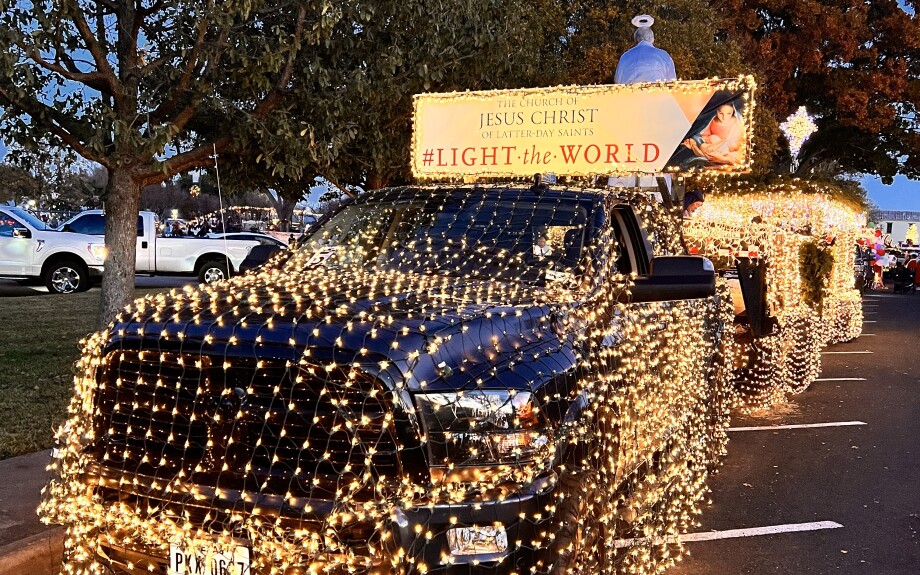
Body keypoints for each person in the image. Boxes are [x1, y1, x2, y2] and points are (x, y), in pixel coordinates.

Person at [614, 15, 677, 84]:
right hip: (658, 93)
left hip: (630, 93)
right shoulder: (664, 55)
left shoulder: (625, 56)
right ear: (652, 39)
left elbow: (618, 81)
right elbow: (672, 82)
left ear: (635, 39)